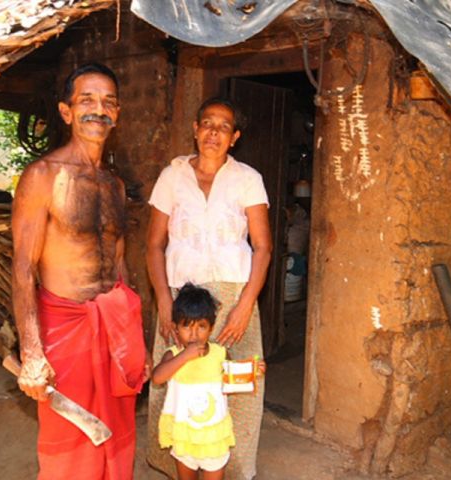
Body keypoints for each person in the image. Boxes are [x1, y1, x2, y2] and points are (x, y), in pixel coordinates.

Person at [11, 63, 147, 480]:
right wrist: (31, 351)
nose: (98, 110)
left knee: (118, 434)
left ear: (118, 114)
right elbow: (22, 268)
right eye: (86, 100)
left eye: (108, 102)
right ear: (66, 112)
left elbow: (119, 259)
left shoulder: (114, 185)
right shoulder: (42, 176)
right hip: (64, 328)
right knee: (70, 442)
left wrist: (128, 328)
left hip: (112, 327)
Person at [146, 97, 272, 480]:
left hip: (234, 293)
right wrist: (164, 302)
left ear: (234, 137)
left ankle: (229, 469)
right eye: (207, 123)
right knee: (177, 376)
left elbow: (262, 246)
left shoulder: (247, 179)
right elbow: (153, 245)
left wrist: (246, 303)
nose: (214, 132)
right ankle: (178, 463)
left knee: (238, 382)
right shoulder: (172, 177)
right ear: (196, 129)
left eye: (223, 126)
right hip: (179, 298)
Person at [152, 284, 266, 480]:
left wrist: (250, 372)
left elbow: (228, 385)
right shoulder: (173, 354)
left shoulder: (220, 354)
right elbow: (157, 377)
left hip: (214, 437)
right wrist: (185, 356)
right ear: (176, 328)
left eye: (201, 326)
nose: (194, 334)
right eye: (186, 325)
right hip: (184, 436)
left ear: (211, 328)